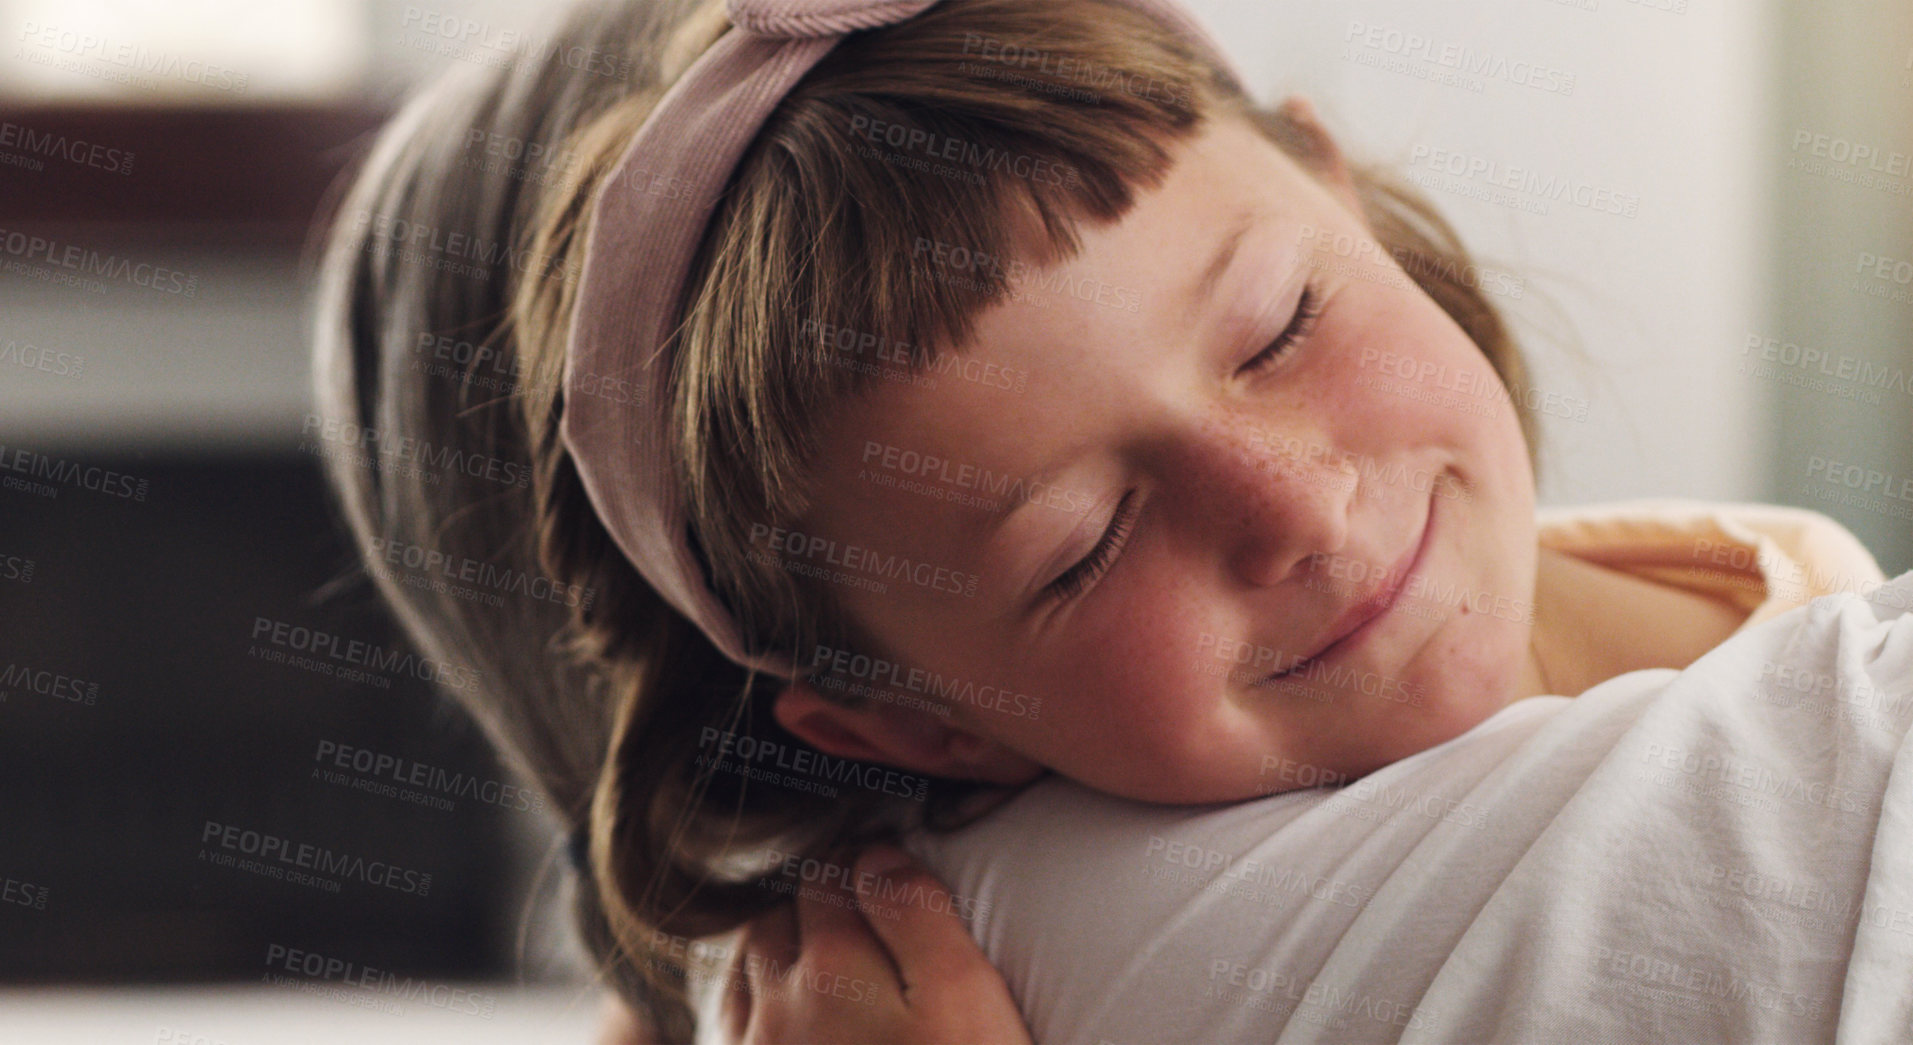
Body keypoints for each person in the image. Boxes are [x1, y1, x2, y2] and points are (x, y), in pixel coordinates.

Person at [310, 0, 1902, 1040]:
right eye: (1078, 545)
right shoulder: (1017, 952)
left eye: (1282, 323)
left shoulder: (1739, 584)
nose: (1292, 503)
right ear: (913, 728)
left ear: (1335, 193)